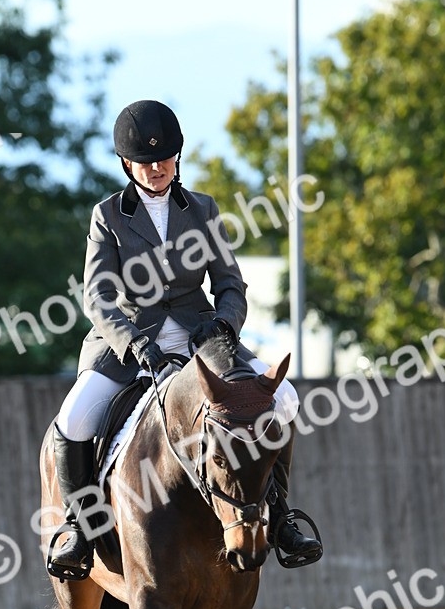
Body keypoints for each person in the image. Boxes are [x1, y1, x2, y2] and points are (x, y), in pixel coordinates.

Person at [47, 98, 322, 581]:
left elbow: (230, 284)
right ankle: (78, 528)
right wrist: (132, 341)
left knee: (286, 397)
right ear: (127, 164)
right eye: (145, 161)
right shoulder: (107, 216)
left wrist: (223, 324)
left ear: (178, 157)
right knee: (72, 419)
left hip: (203, 337)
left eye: (164, 158)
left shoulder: (202, 209)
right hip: (131, 341)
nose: (156, 168)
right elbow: (99, 295)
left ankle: (280, 515)